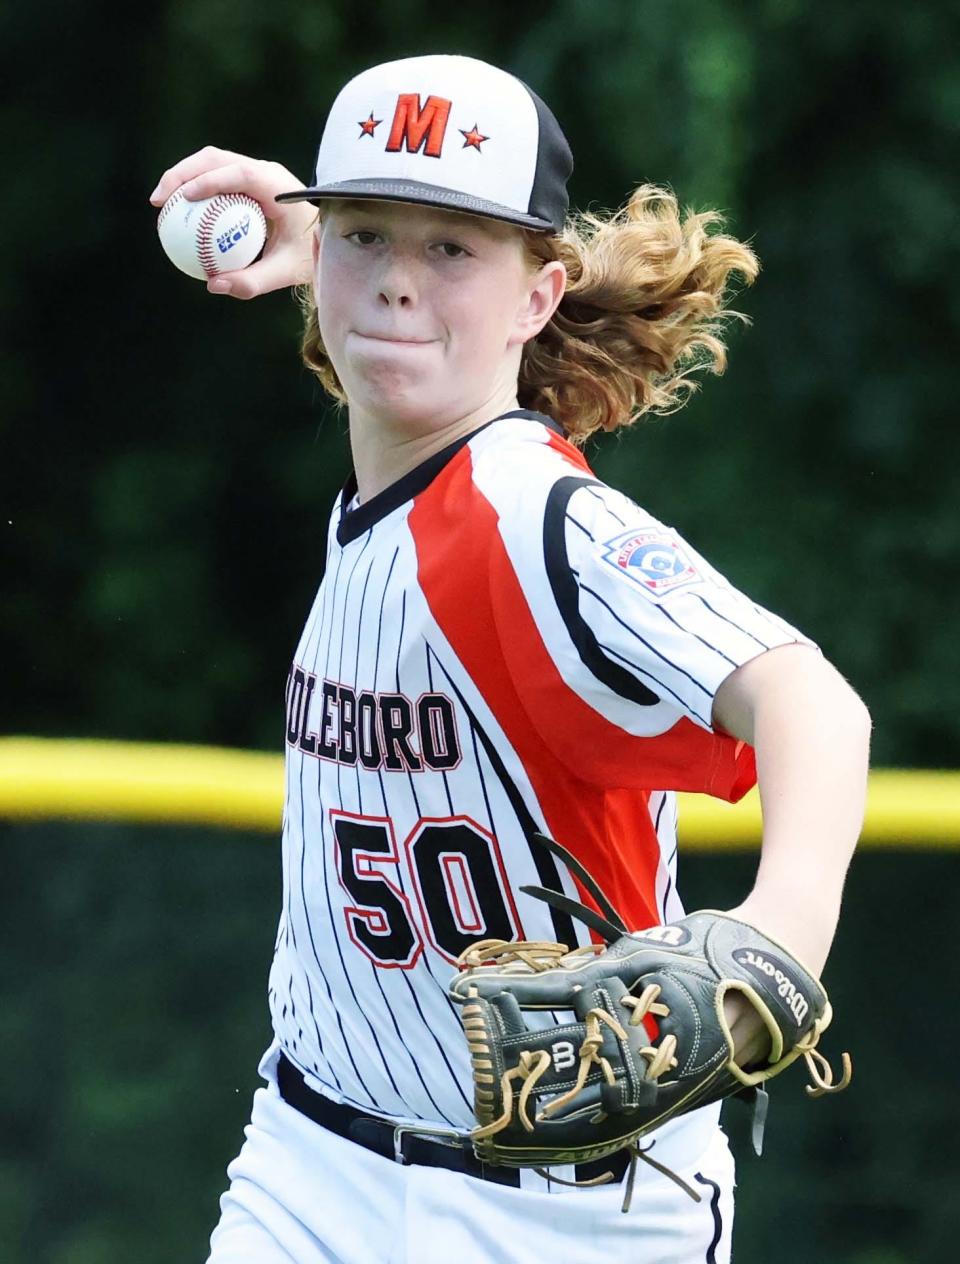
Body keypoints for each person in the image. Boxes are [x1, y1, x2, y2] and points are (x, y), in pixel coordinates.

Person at [150, 52, 870, 1264]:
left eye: (452, 251)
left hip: (571, 1212)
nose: (397, 282)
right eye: (366, 234)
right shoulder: (400, 475)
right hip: (308, 1166)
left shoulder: (535, 516)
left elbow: (813, 702)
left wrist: (782, 931)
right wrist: (329, 253)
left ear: (538, 295)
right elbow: (396, 339)